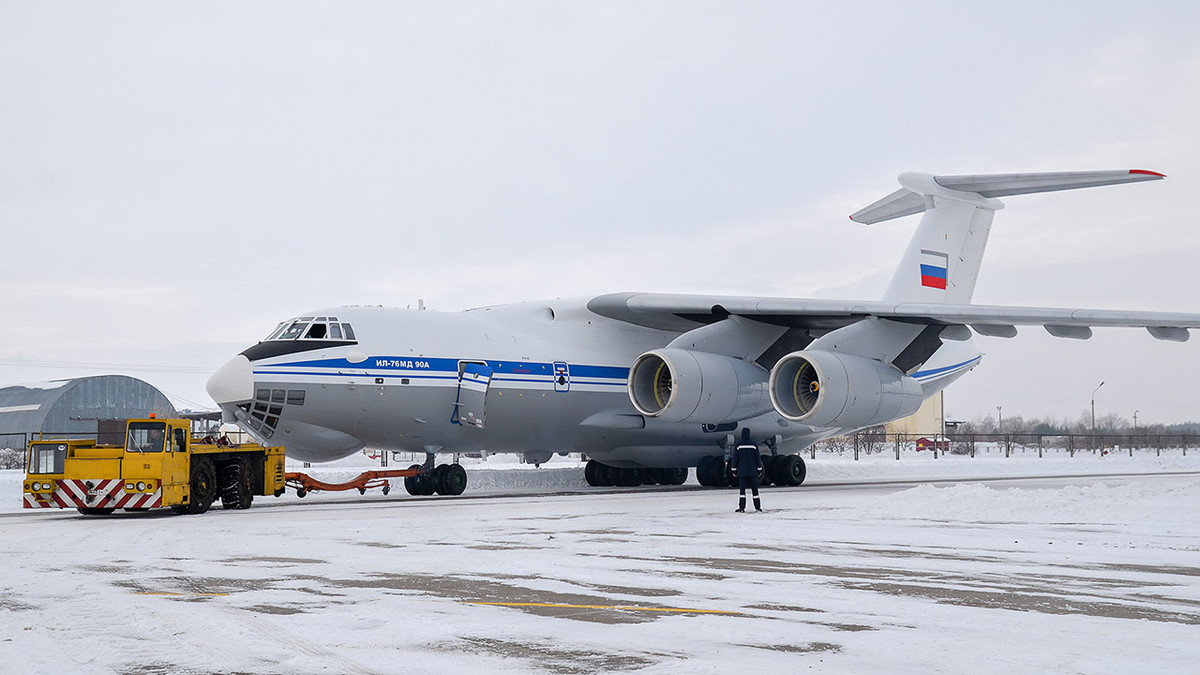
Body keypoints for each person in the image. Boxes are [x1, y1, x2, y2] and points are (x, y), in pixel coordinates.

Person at [732, 428, 763, 512]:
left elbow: (735, 458)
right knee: (755, 491)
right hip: (753, 472)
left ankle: (742, 508)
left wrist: (733, 469)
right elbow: (757, 458)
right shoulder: (753, 445)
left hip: (742, 472)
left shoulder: (738, 445)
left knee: (742, 491)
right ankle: (758, 507)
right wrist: (759, 469)